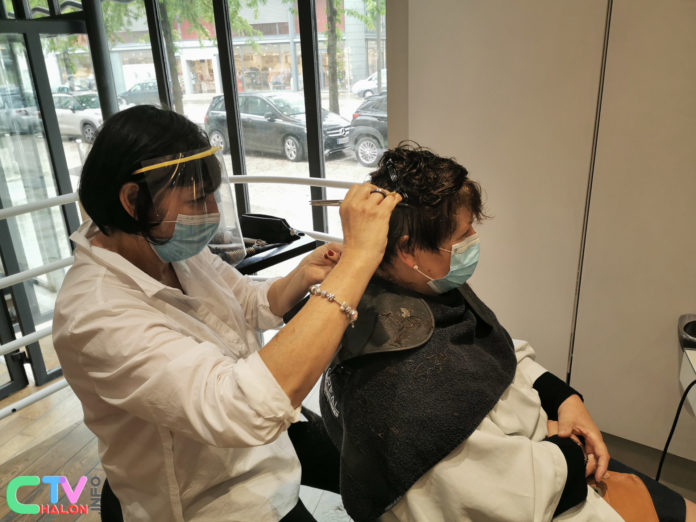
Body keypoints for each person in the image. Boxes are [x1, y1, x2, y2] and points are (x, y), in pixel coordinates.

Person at [51, 105, 401, 521]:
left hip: (261, 447)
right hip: (211, 498)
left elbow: (247, 303)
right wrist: (358, 261)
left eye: (212, 196)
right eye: (197, 199)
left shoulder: (166, 249)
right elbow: (240, 408)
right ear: (132, 200)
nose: (211, 212)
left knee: (377, 470)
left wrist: (303, 275)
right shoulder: (95, 316)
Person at [318, 142, 696, 522]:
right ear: (408, 250)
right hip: (546, 495)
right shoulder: (402, 392)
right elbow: (512, 494)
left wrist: (563, 398)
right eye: (462, 234)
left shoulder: (426, 288)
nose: (473, 240)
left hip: (544, 448)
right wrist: (571, 448)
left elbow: (493, 347)